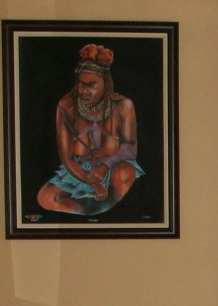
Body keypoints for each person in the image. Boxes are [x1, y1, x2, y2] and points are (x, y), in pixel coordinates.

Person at [36, 43, 143, 216]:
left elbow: (130, 148)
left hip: (113, 167)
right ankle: (91, 210)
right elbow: (66, 158)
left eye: (91, 85)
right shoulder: (66, 107)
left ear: (105, 83)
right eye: (81, 84)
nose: (84, 91)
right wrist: (91, 181)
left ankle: (100, 209)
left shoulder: (123, 105)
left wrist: (104, 167)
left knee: (124, 173)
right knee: (45, 198)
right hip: (80, 172)